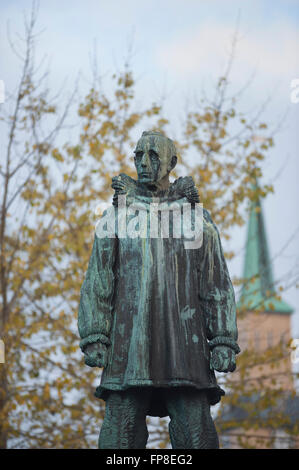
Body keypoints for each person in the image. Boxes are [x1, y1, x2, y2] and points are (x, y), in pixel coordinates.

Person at [78, 131, 240, 449]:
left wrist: (223, 339)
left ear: (171, 163)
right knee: (119, 431)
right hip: (130, 344)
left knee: (196, 432)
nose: (143, 162)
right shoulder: (116, 218)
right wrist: (95, 335)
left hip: (184, 343)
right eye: (138, 156)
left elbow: (216, 283)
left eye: (152, 156)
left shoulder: (196, 220)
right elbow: (98, 281)